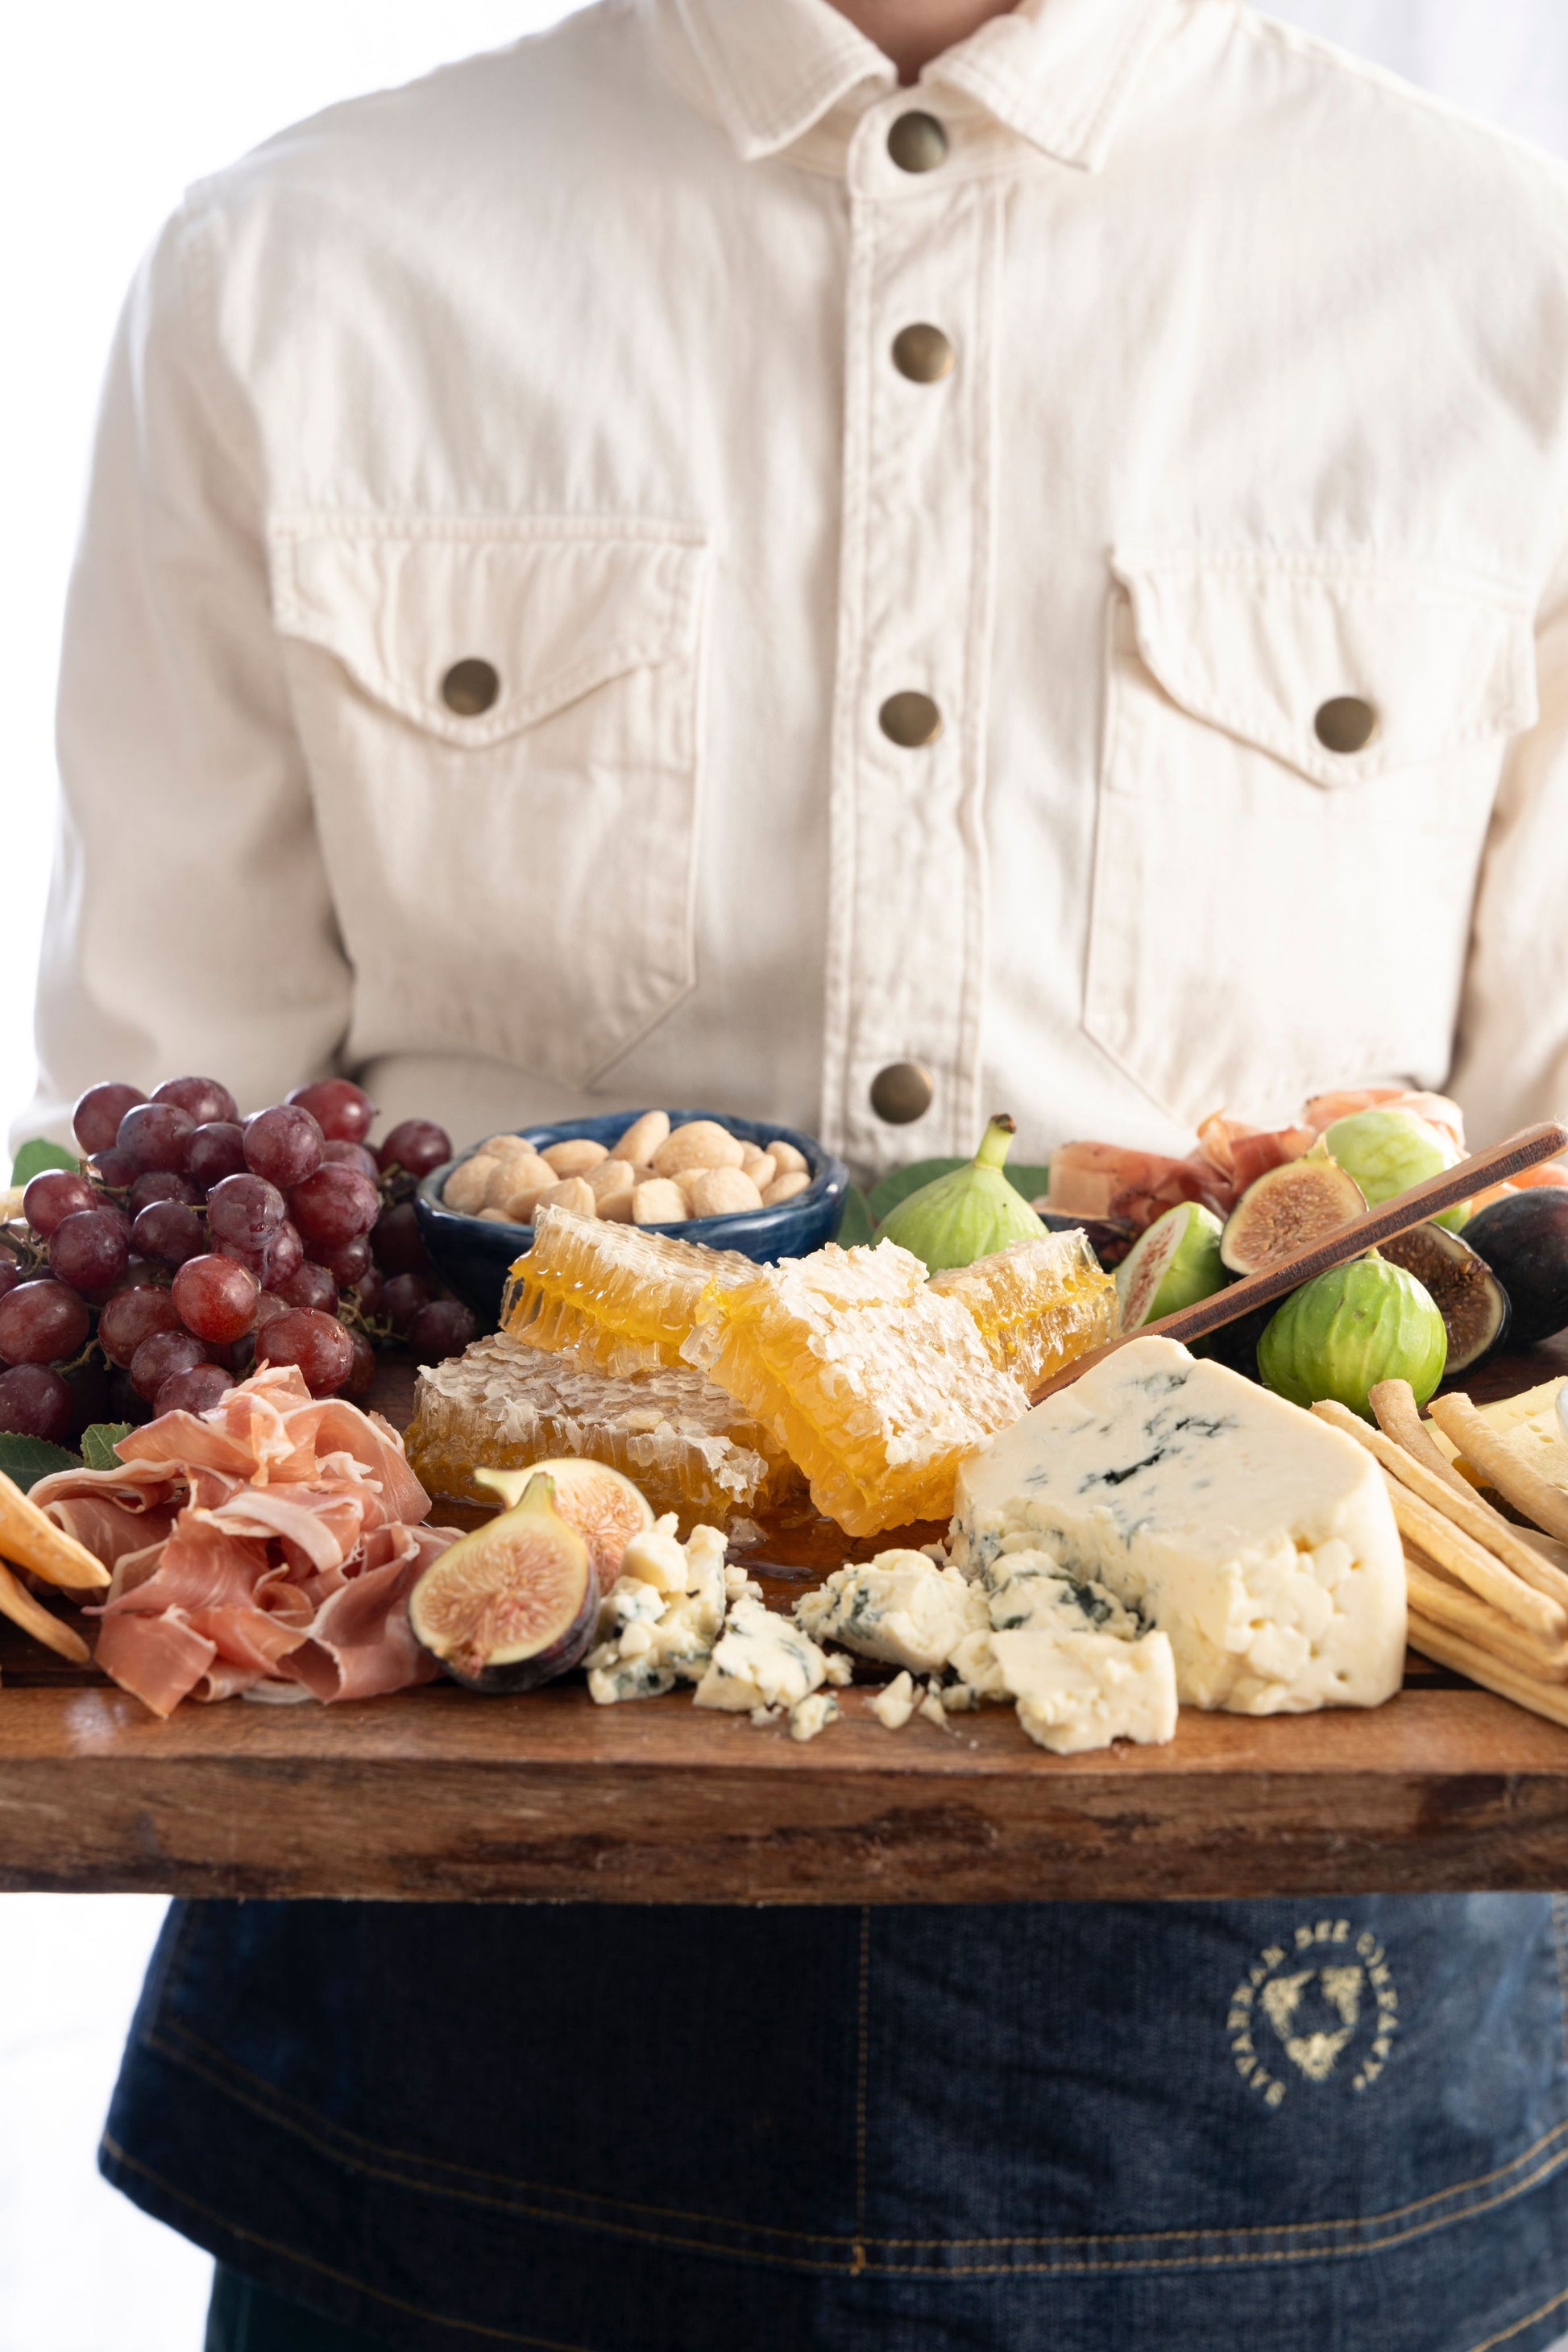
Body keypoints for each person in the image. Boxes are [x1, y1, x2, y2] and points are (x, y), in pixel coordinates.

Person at [23, 0, 1568, 2344]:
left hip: (1291, 2066)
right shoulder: (297, 269)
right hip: (471, 2051)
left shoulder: (1502, 282)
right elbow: (185, 1171)